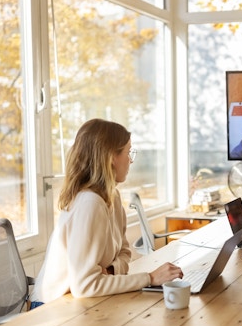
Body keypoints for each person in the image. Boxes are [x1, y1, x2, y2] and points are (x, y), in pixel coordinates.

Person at [30, 119, 183, 307]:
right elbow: (85, 286)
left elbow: (125, 251)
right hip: (52, 307)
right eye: (128, 152)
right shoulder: (89, 204)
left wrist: (110, 270)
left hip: (80, 301)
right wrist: (150, 278)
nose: (131, 160)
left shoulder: (112, 196)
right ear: (111, 157)